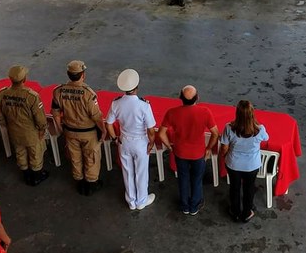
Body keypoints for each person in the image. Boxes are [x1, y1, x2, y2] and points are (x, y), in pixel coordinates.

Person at [158, 85, 219, 216]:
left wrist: (169, 146)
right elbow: (215, 133)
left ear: (180, 97)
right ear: (198, 97)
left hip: (180, 152)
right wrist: (209, 148)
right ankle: (194, 206)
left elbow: (161, 133)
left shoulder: (172, 112)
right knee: (196, 180)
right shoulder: (205, 112)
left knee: (183, 178)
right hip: (198, 154)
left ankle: (184, 205)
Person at [51, 60, 106, 195]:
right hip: (88, 133)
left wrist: (60, 129)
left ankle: (79, 181)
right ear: (83, 75)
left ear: (68, 74)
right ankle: (91, 183)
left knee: (75, 157)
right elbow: (96, 116)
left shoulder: (58, 91)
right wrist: (103, 131)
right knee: (91, 157)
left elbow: (55, 113)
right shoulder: (88, 93)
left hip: (69, 131)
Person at [105, 69, 157, 211]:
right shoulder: (144, 105)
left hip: (124, 140)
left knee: (127, 172)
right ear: (137, 87)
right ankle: (142, 200)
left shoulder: (116, 103)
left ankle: (131, 201)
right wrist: (151, 143)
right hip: (140, 142)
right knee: (141, 172)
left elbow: (108, 124)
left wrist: (115, 138)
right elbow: (151, 129)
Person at [0, 65, 49, 187]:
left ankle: (26, 174)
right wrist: (42, 129)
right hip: (31, 132)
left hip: (14, 131)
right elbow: (40, 118)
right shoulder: (31, 96)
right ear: (25, 79)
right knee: (35, 154)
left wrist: (6, 125)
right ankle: (36, 177)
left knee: (20, 152)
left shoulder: (3, 94)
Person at [219, 100, 269, 223]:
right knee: (249, 188)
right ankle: (247, 212)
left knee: (234, 188)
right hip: (252, 165)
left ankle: (235, 212)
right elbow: (266, 138)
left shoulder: (229, 128)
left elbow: (224, 147)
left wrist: (223, 156)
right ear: (252, 114)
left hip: (234, 164)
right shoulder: (260, 129)